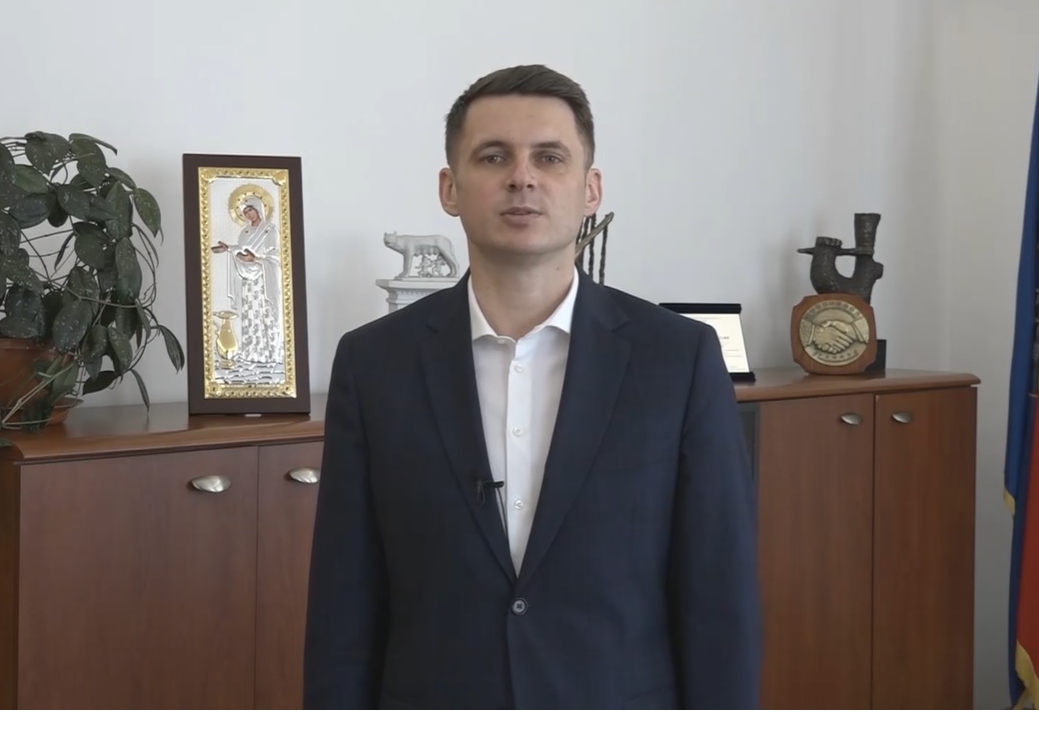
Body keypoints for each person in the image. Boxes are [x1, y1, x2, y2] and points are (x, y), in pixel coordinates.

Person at [302, 64, 761, 709]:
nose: (522, 177)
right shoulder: (373, 364)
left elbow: (720, 598)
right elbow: (343, 604)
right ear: (450, 189)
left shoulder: (678, 361)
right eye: (494, 157)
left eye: (550, 157)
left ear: (590, 189)